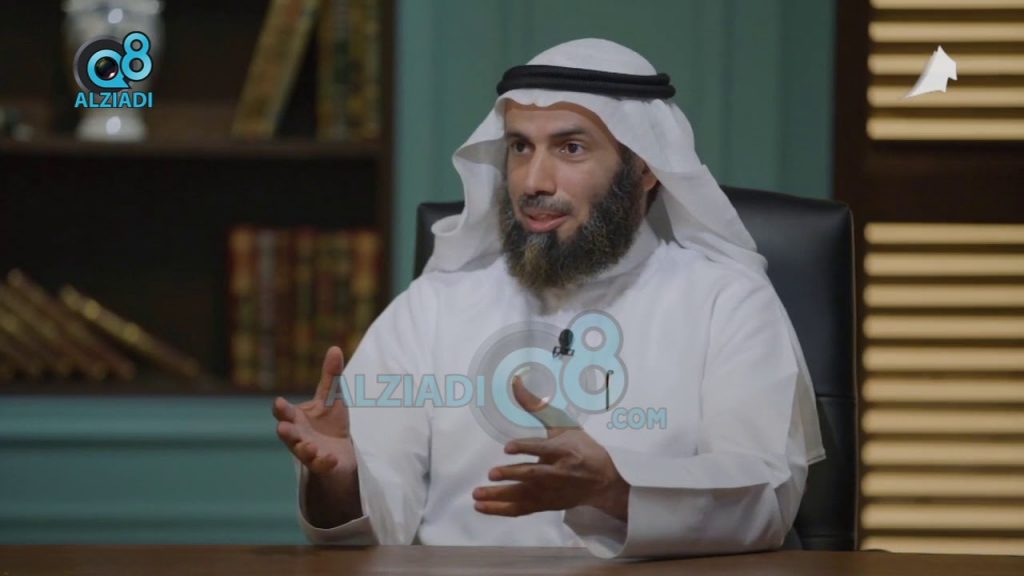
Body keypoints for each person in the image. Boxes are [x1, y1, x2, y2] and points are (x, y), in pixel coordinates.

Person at [272, 38, 826, 559]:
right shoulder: (435, 305)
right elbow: (374, 521)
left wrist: (615, 487)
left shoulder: (726, 301)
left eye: (571, 148)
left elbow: (765, 502)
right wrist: (342, 479)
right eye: (520, 147)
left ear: (645, 168)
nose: (534, 181)